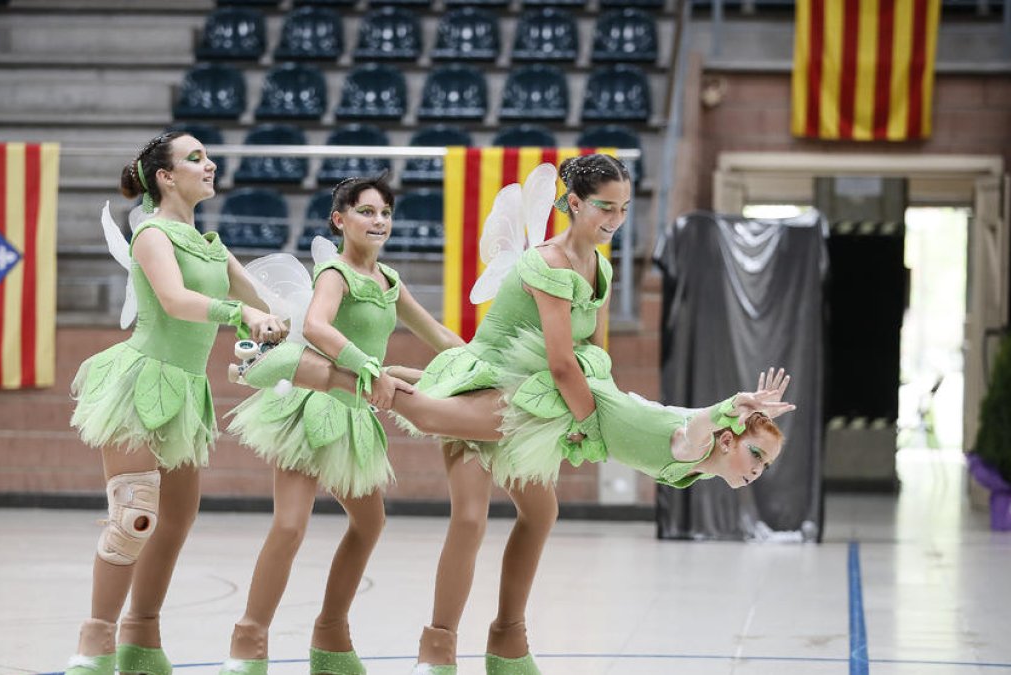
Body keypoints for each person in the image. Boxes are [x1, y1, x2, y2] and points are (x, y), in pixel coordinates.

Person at [235, 154, 794, 675]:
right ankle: (434, 648)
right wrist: (581, 422)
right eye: (606, 206)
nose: (617, 219)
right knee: (462, 507)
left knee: (537, 512)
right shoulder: (545, 264)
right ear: (574, 202)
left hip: (530, 395)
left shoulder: (597, 269)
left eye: (624, 208)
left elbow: (452, 338)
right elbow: (560, 362)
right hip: (508, 390)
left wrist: (449, 365)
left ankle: (504, 637)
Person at [219, 174, 465, 675]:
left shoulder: (388, 281)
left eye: (385, 214)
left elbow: (436, 332)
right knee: (289, 526)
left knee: (370, 522)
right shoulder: (335, 271)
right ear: (340, 220)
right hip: (313, 404)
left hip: (355, 413)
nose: (379, 222)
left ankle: (331, 635)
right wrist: (363, 363)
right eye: (367, 212)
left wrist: (482, 364)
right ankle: (248, 642)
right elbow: (315, 326)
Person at [64, 131, 287, 675]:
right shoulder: (152, 234)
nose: (209, 164)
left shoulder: (210, 245)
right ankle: (94, 645)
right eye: (196, 158)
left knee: (178, 517)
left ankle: (141, 640)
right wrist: (241, 316)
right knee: (135, 514)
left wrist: (287, 327)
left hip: (187, 390)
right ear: (166, 177)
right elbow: (176, 300)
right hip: (140, 380)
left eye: (208, 156)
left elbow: (268, 305)